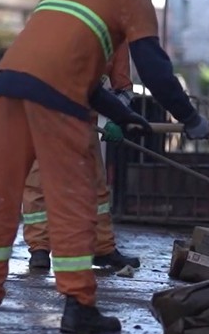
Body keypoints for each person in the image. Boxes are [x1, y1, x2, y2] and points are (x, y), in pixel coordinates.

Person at [0, 0, 209, 334]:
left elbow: (66, 62)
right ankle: (78, 305)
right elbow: (152, 64)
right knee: (72, 196)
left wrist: (123, 114)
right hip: (57, 96)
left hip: (8, 84)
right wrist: (190, 118)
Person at [21, 48, 141, 273]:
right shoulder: (67, 24)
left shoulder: (118, 38)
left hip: (82, 119)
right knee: (37, 182)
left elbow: (121, 88)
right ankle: (39, 249)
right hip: (44, 113)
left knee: (94, 185)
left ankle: (102, 248)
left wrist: (114, 119)